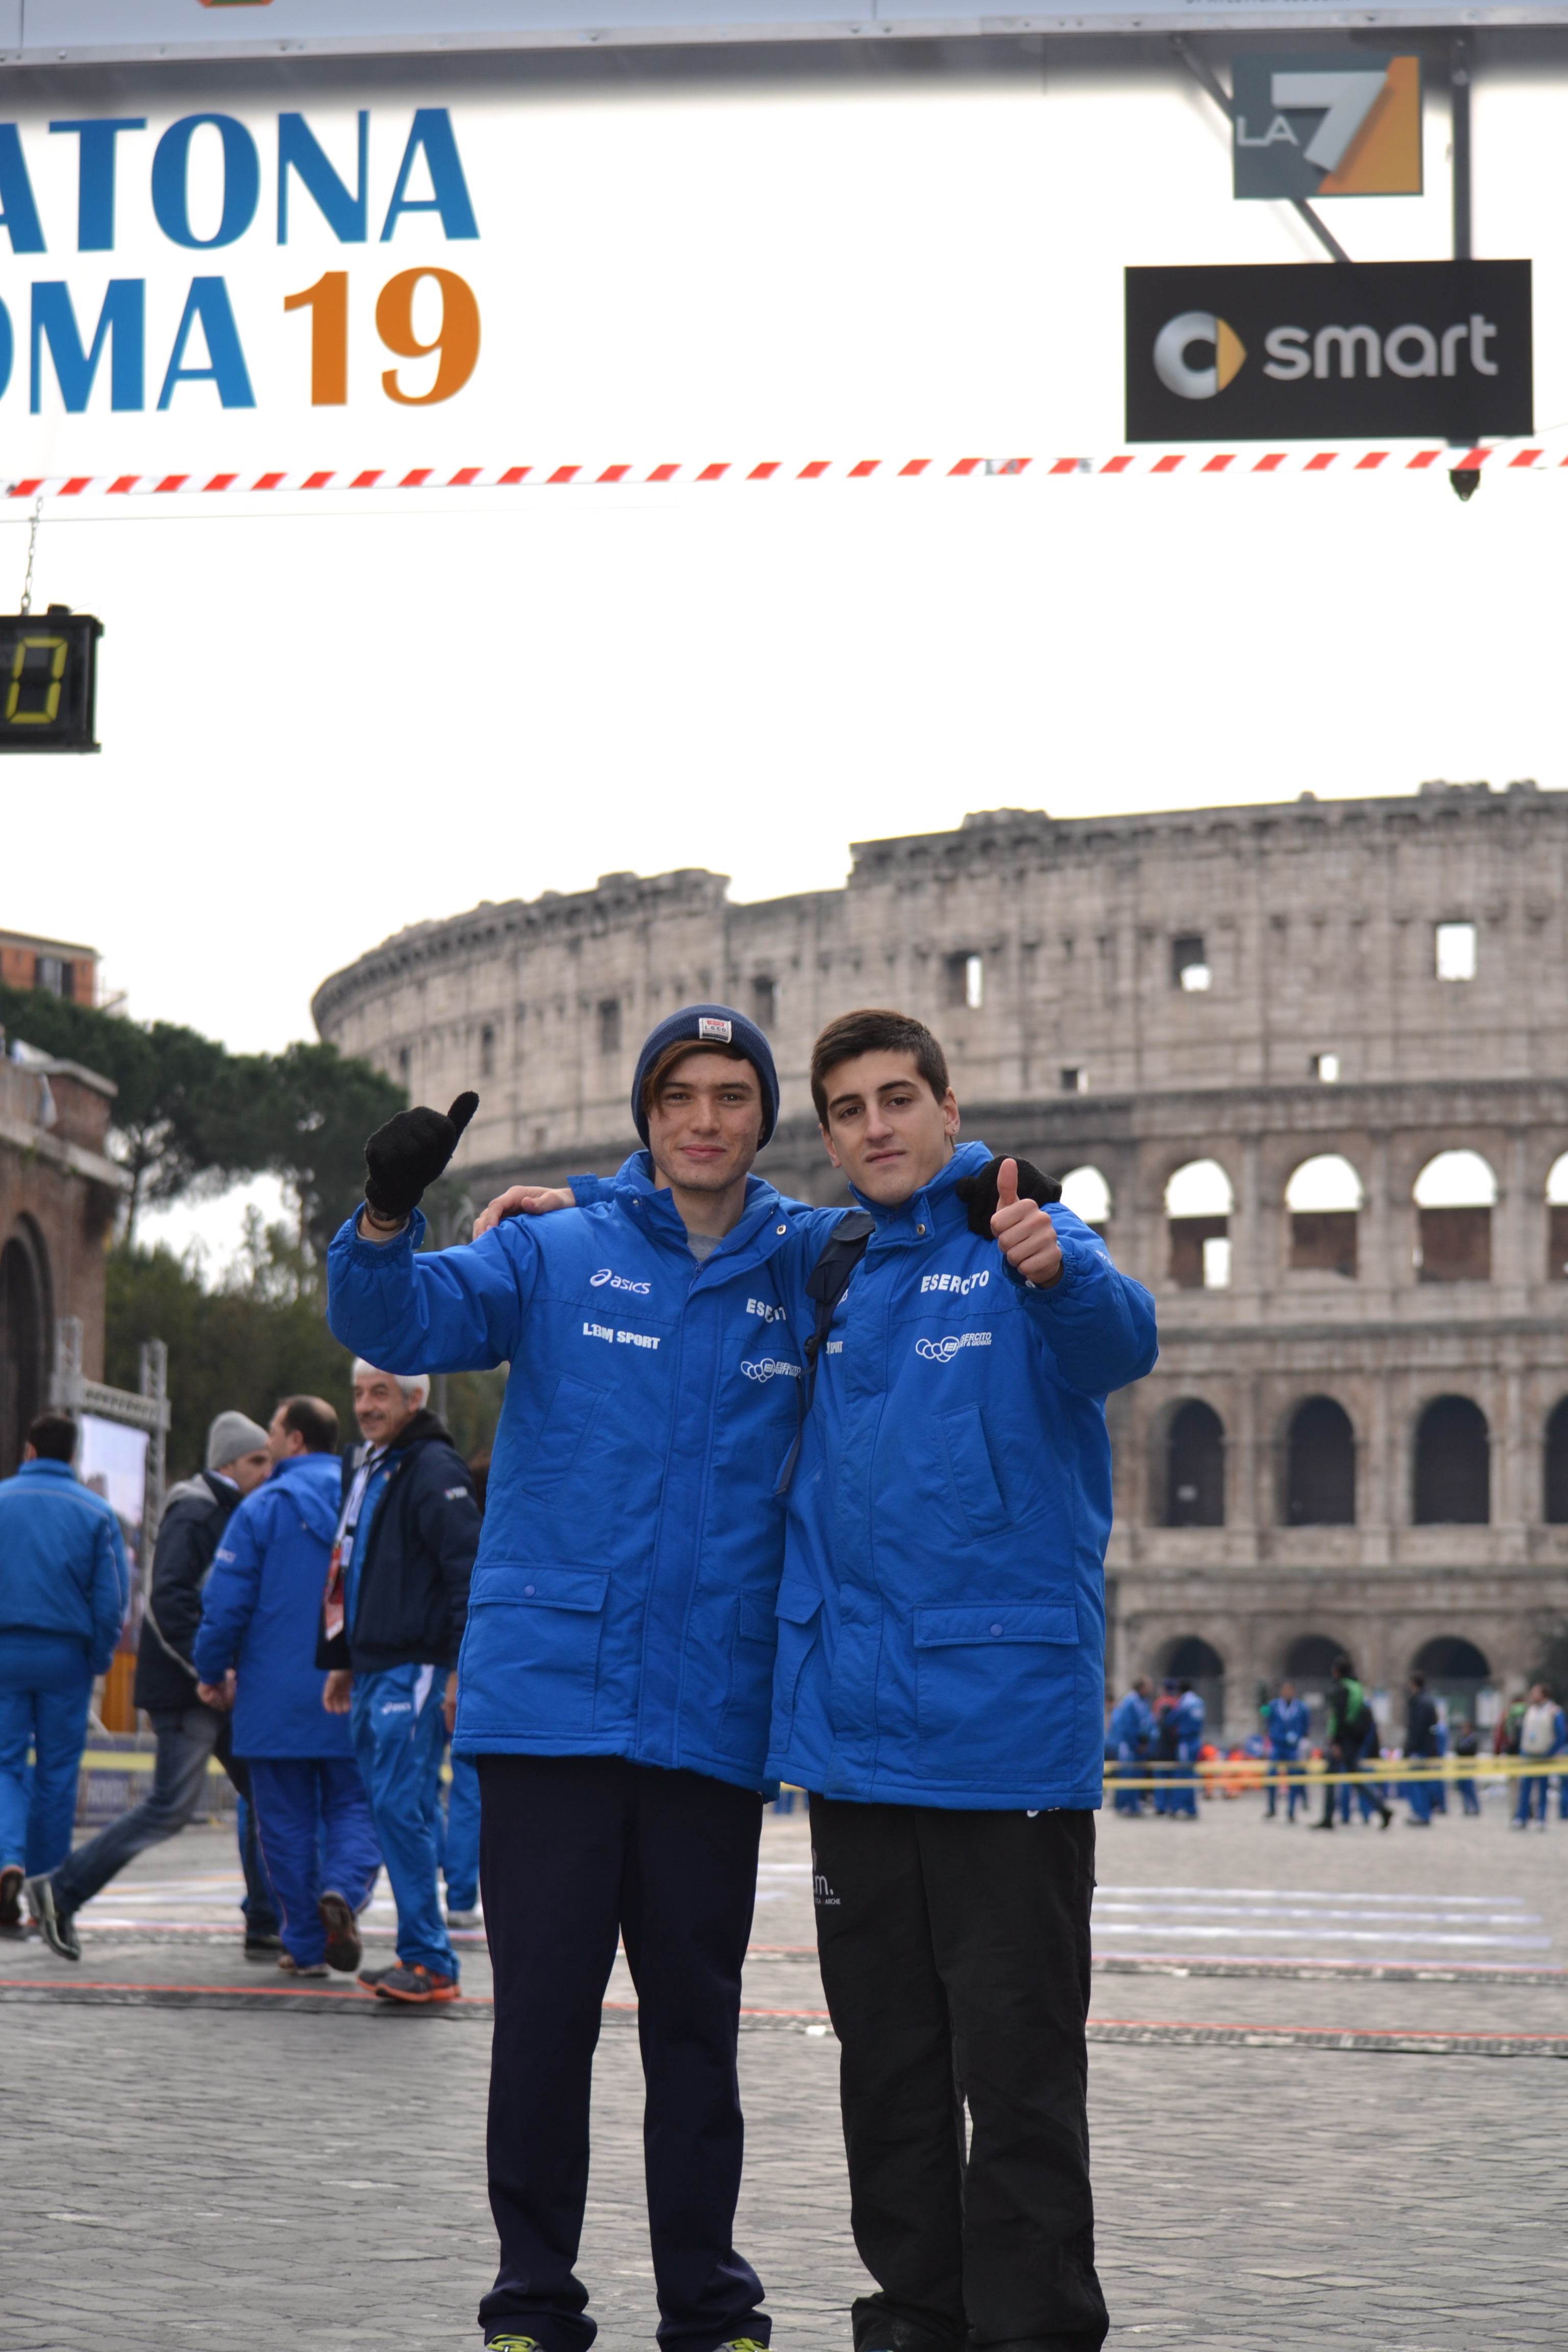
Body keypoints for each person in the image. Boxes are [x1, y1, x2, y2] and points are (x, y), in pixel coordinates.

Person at [328, 1005, 836, 2352]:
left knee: (695, 2037)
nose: (707, 1118)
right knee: (542, 2028)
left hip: (710, 1713)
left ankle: (709, 2302)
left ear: (763, 1117)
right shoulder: (553, 1253)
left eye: (733, 1095)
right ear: (647, 1116)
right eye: (680, 1095)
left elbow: (929, 1215)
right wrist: (387, 1210)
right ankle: (531, 2301)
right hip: (551, 1705)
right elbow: (398, 1314)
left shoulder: (807, 1262)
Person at [764, 1007, 1158, 2352]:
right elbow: (692, 1206)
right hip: (855, 1746)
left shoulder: (1023, 1237)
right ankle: (914, 2324)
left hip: (1004, 1751)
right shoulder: (832, 1264)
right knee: (888, 2080)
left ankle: (1036, 2334)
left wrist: (1059, 1271)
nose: (875, 1127)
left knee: (1023, 2082)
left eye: (896, 1099)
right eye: (848, 1110)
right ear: (830, 1136)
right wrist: (562, 1203)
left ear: (945, 1106)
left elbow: (1120, 1346)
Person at [25, 1411, 278, 1962]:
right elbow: (168, 1601)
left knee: (266, 1794)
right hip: (190, 1688)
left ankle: (266, 1918)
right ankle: (60, 1889)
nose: (267, 1470)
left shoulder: (231, 1510)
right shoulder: (197, 1509)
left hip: (215, 1685)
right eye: (258, 1460)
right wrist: (207, 1671)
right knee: (170, 1807)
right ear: (228, 1463)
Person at [192, 1396, 380, 1976]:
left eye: (273, 1430)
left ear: (295, 1439)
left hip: (273, 1697)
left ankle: (303, 1946)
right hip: (354, 1686)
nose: (268, 1441)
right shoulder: (369, 1499)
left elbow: (225, 1603)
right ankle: (344, 1893)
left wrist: (210, 1670)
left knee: (285, 1826)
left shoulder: (261, 1508)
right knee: (357, 1804)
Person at [318, 1361, 480, 2004]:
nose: (365, 1405)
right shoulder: (369, 1465)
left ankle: (431, 1959)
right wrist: (343, 1658)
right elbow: (348, 1566)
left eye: (379, 1393)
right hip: (375, 1664)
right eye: (358, 1392)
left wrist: (458, 1672)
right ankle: (424, 1950)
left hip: (413, 1667)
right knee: (397, 1808)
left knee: (402, 1809)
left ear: (414, 1399)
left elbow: (466, 1571)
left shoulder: (434, 1470)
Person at [0, 1413, 128, 1944]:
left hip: (4, 1650)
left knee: (4, 1763)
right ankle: (47, 1893)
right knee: (56, 1773)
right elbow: (110, 1602)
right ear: (72, 1458)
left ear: (29, 1451)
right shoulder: (97, 1513)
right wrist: (97, 1657)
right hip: (65, 1658)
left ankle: (6, 1858)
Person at [1312, 1656, 1391, 1831]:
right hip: (1354, 1741)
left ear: (1338, 1671)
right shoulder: (1358, 1687)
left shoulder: (1342, 1689)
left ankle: (1328, 1817)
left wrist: (1336, 1743)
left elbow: (1339, 1717)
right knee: (1357, 1779)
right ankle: (1382, 1808)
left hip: (1343, 1741)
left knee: (1330, 1777)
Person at [1512, 1683, 1566, 1829]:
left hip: (1544, 1756)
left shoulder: (1555, 1711)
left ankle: (1541, 1818)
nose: (1532, 1696)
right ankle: (1521, 1817)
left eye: (1535, 1693)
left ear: (1544, 1695)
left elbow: (1561, 1736)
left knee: (1543, 1789)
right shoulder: (1531, 1710)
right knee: (1525, 1789)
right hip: (1529, 1754)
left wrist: (1550, 1753)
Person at [1106, 1678, 1153, 1816]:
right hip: (1130, 1746)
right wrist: (1136, 1744)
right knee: (1127, 1774)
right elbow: (1126, 1726)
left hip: (1139, 1746)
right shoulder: (1130, 1702)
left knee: (1136, 1776)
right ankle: (1124, 1805)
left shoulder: (1142, 1702)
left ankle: (1133, 1805)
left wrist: (1145, 1743)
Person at [1263, 1680, 1309, 1820]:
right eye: (1285, 1690)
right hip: (1278, 1745)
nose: (1287, 1693)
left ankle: (1291, 1810)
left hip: (1292, 1748)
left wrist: (1298, 1737)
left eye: (1290, 1690)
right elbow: (1268, 1721)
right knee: (1271, 1775)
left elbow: (1306, 1725)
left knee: (1294, 1778)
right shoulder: (1274, 1706)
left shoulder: (1301, 1707)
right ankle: (1271, 1807)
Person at [1403, 1671, 1440, 1827]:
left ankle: (1419, 1813)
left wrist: (1409, 1748)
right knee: (1424, 1782)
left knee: (1415, 1782)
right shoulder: (1429, 1701)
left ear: (1414, 1684)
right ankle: (1425, 1814)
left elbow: (1416, 1728)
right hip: (1428, 1747)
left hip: (1418, 1749)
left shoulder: (1418, 1702)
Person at [1165, 1679, 1205, 1820]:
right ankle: (1191, 1808)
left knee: (1182, 1776)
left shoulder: (1184, 1703)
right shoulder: (1199, 1702)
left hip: (1185, 1742)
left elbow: (1171, 1720)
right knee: (1190, 1775)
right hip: (1196, 1741)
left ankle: (1178, 1807)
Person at [1451, 1717, 1481, 1815]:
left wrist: (1462, 1750)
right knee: (1462, 1789)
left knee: (1470, 1788)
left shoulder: (1472, 1739)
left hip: (1469, 1766)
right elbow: (1456, 1749)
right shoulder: (1460, 1738)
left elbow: (1469, 1751)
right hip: (1460, 1766)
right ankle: (1466, 1808)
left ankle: (1475, 1808)